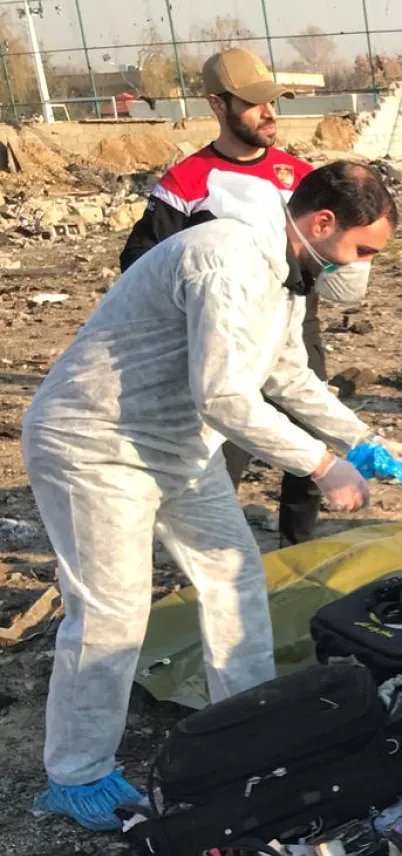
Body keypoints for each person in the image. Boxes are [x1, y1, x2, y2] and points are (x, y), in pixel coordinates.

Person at [23, 162, 402, 830]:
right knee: (112, 612)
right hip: (97, 441)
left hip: (176, 445)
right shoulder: (225, 259)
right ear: (323, 223)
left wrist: (364, 439)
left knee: (234, 574)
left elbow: (287, 375)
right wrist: (322, 464)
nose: (365, 266)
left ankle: (251, 726)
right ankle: (76, 772)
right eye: (364, 250)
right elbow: (226, 394)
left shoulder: (287, 273)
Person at [122, 47, 333, 548]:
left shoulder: (298, 176)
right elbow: (139, 261)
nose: (268, 113)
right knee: (227, 446)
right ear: (218, 106)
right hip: (225, 340)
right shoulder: (187, 183)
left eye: (272, 102)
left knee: (310, 439)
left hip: (294, 332)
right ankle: (214, 558)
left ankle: (298, 553)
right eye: (254, 103)